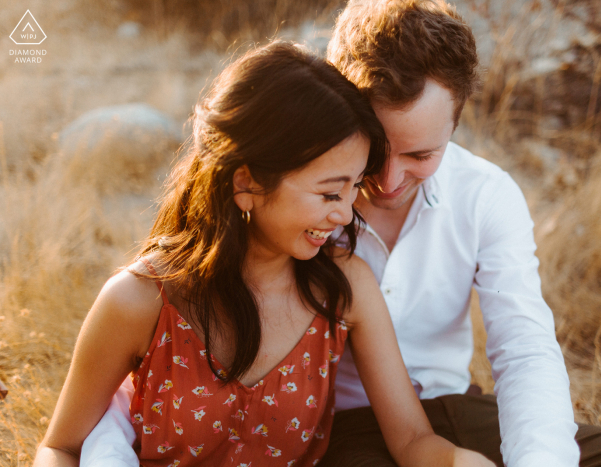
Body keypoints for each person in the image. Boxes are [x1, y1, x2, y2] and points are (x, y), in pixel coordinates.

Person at [76, 1, 601, 466]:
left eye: (422, 154)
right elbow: (152, 368)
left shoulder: (483, 196)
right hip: (345, 431)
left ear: (457, 124)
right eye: (375, 152)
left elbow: (524, 349)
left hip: (451, 413)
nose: (388, 180)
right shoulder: (300, 207)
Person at [33, 42, 494, 467]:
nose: (347, 214)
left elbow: (412, 440)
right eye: (330, 193)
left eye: (354, 188)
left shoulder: (345, 289)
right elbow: (61, 446)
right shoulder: (140, 301)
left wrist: (460, 461)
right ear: (247, 184)